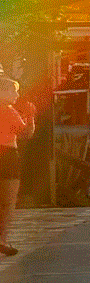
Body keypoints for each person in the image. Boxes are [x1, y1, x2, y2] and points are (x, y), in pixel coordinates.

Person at [0, 76, 35, 257]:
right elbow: (26, 133)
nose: (16, 94)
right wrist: (30, 116)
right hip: (8, 156)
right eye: (13, 90)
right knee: (8, 201)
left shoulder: (11, 111)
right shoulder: (10, 112)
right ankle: (2, 238)